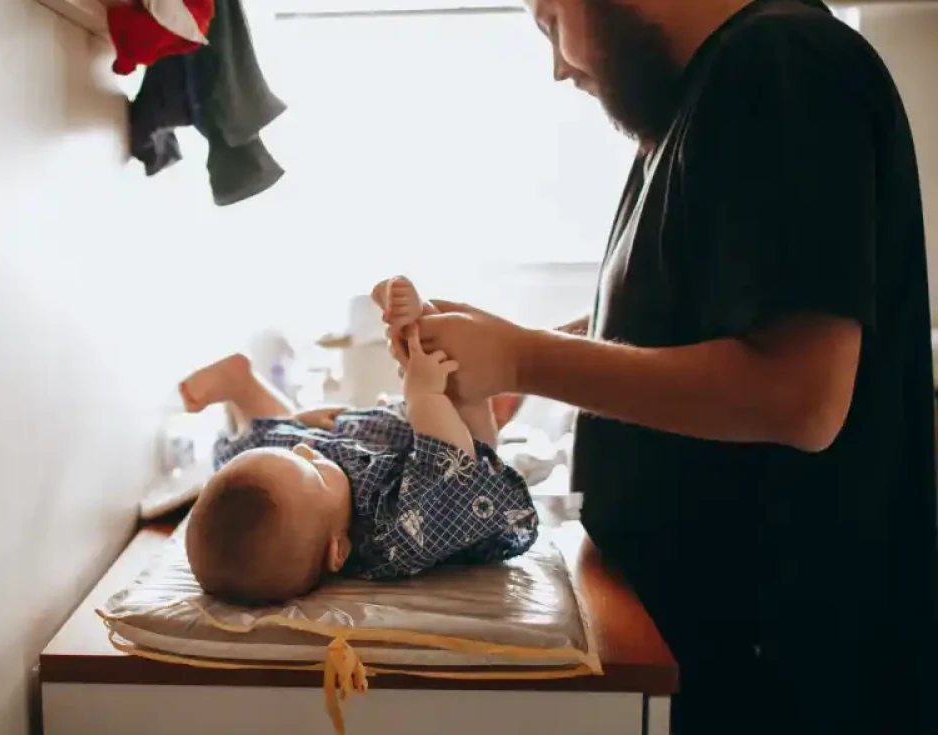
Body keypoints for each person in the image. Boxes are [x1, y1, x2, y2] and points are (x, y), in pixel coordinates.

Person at [406, 1, 938, 733]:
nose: (559, 64)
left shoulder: (781, 64)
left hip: (786, 678)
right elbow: (673, 322)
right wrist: (508, 357)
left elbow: (800, 397)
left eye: (550, 19)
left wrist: (526, 356)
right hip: (720, 654)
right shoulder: (706, 98)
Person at [179, 277, 537, 607]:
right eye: (313, 469)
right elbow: (451, 466)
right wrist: (425, 393)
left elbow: (291, 458)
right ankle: (425, 333)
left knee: (258, 451)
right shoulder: (392, 536)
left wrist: (302, 425)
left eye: (299, 451)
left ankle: (243, 386)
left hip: (369, 438)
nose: (306, 451)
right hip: (451, 450)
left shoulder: (312, 502)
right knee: (468, 418)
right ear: (339, 551)